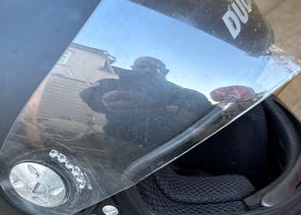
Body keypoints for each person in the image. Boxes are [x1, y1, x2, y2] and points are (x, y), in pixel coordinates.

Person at [80, 56, 212, 149]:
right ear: (132, 68)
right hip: (122, 145)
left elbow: (202, 107)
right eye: (142, 67)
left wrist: (157, 105)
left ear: (165, 73)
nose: (147, 70)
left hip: (168, 149)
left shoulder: (180, 92)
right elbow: (88, 95)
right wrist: (105, 97)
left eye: (155, 69)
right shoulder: (114, 85)